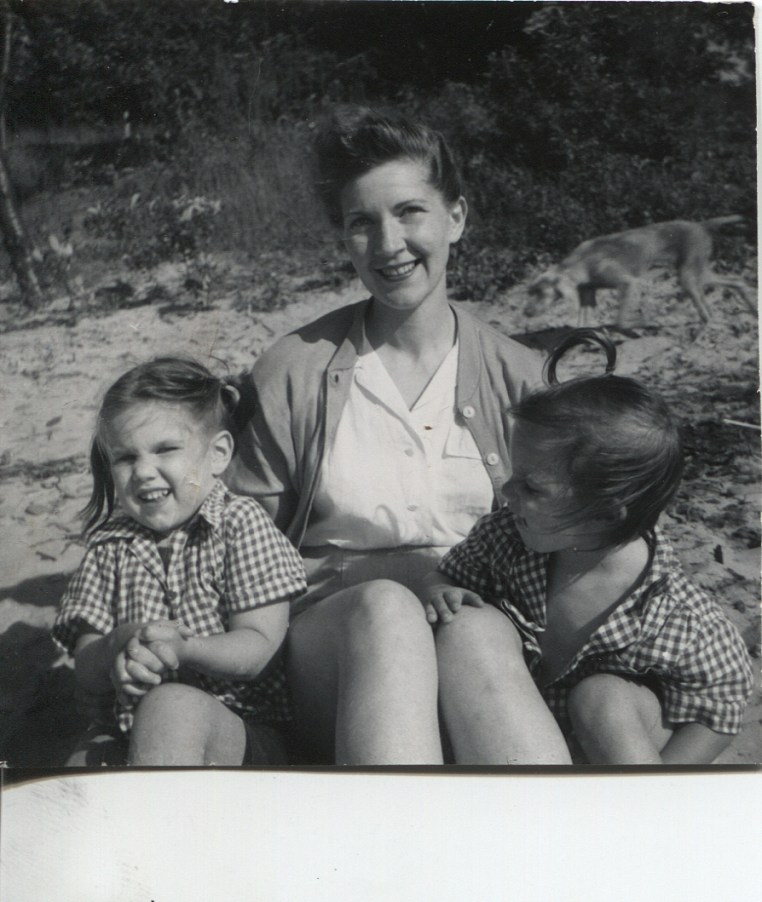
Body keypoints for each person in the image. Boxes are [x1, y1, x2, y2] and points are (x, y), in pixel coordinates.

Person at [226, 106, 547, 764]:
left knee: (477, 629)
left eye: (409, 212)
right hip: (333, 645)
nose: (388, 244)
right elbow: (241, 555)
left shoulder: (521, 377)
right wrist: (401, 574)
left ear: (456, 217)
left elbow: (567, 548)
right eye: (361, 223)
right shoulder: (294, 369)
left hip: (476, 647)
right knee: (388, 612)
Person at [422, 329, 754, 765]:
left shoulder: (674, 613)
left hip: (615, 748)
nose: (506, 490)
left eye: (532, 486)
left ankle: (641, 812)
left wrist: (672, 778)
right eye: (513, 474)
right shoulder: (505, 540)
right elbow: (448, 574)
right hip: (518, 738)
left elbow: (722, 700)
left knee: (603, 700)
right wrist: (436, 590)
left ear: (605, 512)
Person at [53, 357, 307, 766]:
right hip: (128, 732)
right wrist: (118, 645)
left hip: (242, 734)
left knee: (172, 709)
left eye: (166, 450)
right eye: (125, 458)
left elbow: (258, 648)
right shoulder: (108, 546)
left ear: (218, 454)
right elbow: (86, 667)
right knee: (70, 779)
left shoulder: (240, 525)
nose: (144, 472)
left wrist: (185, 648)